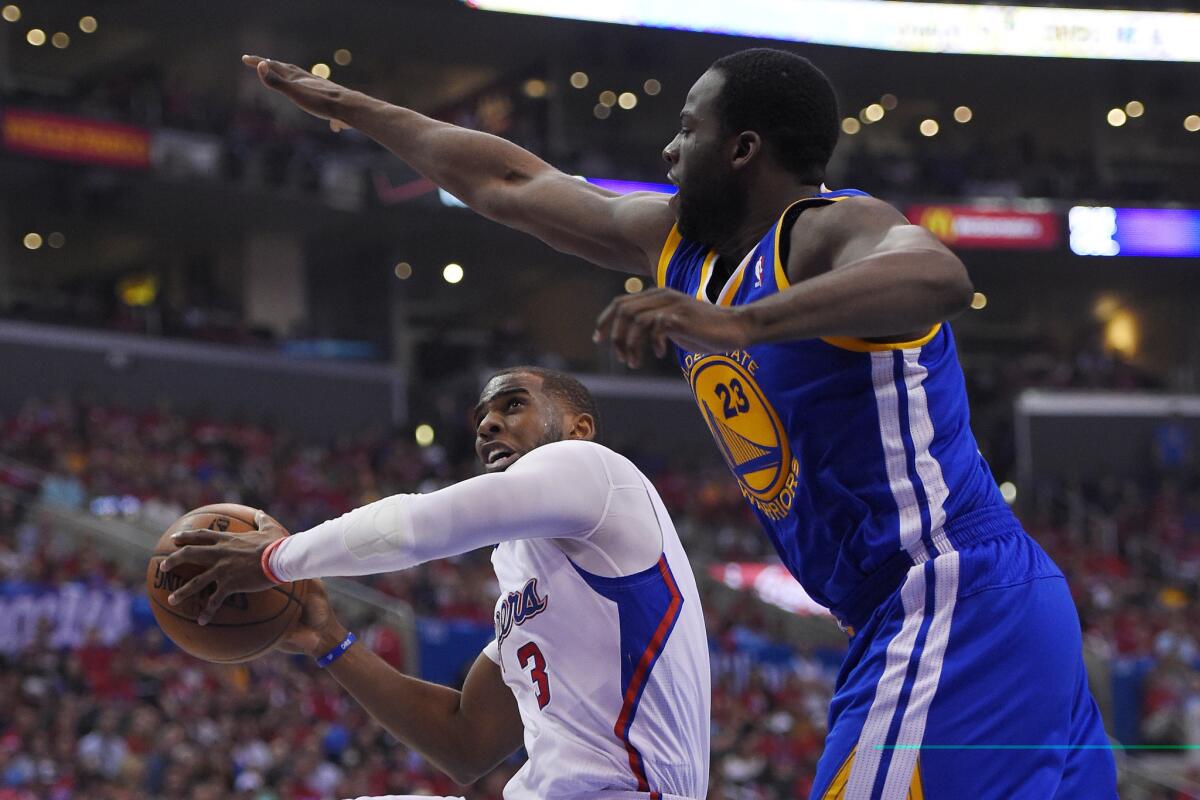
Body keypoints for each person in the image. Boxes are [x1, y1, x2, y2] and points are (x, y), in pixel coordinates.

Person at [231, 49, 1116, 798]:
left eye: (687, 129)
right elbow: (508, 182)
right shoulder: (675, 247)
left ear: (742, 149)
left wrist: (747, 324)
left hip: (949, 593)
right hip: (913, 614)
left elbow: (940, 275)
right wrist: (353, 107)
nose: (667, 145)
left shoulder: (822, 232)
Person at [163, 367, 710, 800]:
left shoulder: (595, 470)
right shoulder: (531, 575)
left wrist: (276, 560)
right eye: (482, 416)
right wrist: (329, 641)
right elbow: (465, 741)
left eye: (513, 404)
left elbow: (421, 524)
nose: (488, 424)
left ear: (578, 426)